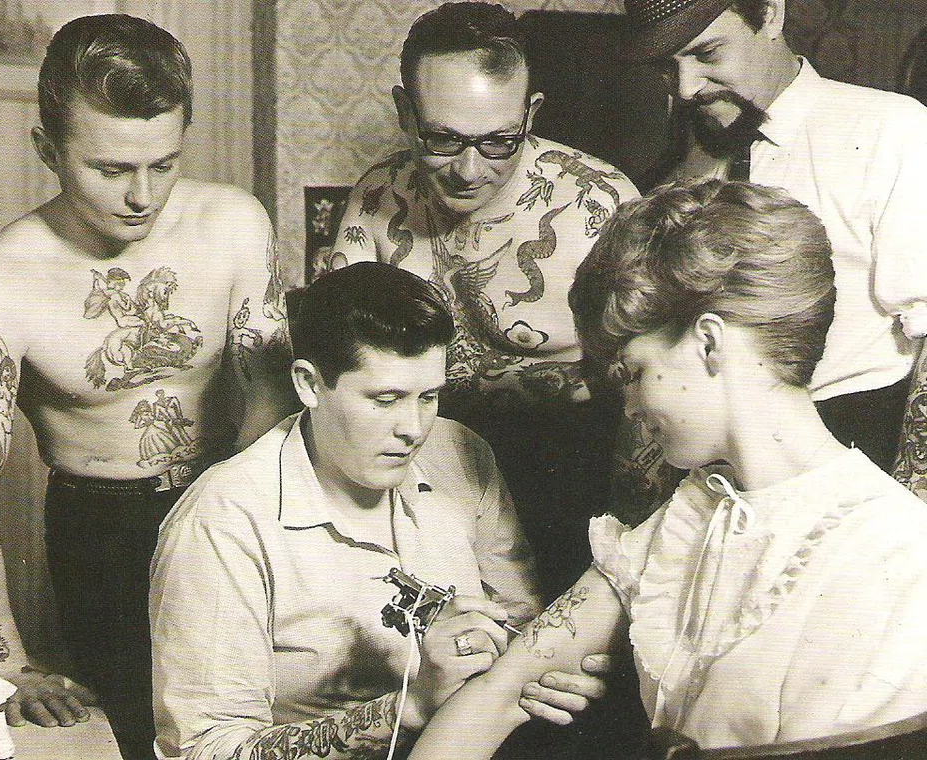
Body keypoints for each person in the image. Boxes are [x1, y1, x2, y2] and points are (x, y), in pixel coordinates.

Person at [408, 180, 927, 758]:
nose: (628, 407)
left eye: (632, 372)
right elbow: (498, 694)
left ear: (709, 343)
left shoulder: (894, 555)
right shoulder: (690, 514)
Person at [0, 14, 296, 760]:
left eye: (163, 164)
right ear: (48, 150)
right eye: (110, 169)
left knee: (264, 722)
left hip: (232, 498)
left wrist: (241, 515)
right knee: (139, 735)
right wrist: (5, 661)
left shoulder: (233, 223)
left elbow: (271, 393)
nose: (142, 195)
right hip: (101, 531)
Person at [151, 262, 611, 759]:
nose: (414, 428)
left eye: (429, 397)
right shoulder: (221, 521)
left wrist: (548, 671)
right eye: (386, 399)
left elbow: (521, 622)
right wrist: (409, 706)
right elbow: (205, 752)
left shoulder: (462, 454)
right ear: (309, 385)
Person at [329, 0, 640, 602]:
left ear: (532, 113)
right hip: (424, 475)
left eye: (499, 142)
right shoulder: (376, 199)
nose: (469, 170)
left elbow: (652, 387)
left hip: (574, 482)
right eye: (442, 140)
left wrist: (632, 548)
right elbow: (339, 363)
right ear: (404, 112)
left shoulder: (597, 208)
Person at [623, 0, 927, 479]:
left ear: (770, 14)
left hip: (851, 443)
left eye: (708, 54)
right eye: (667, 67)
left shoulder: (892, 131)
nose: (685, 90)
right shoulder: (677, 164)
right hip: (703, 457)